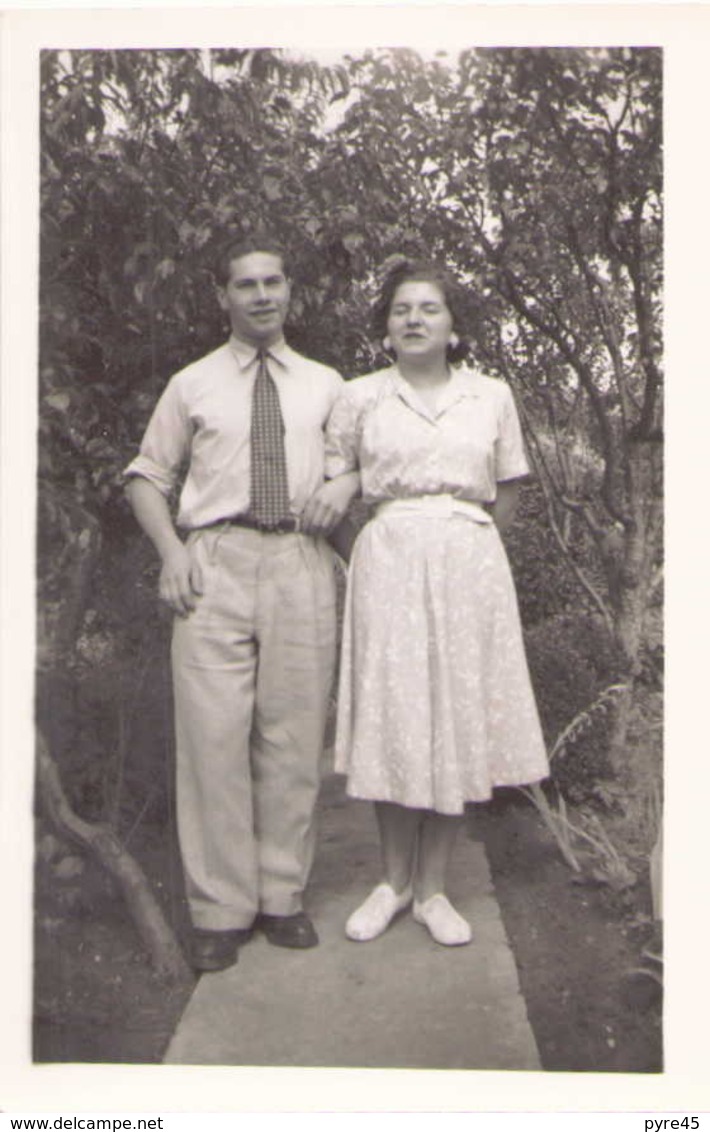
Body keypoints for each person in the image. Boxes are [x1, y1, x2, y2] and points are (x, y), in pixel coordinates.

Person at [124, 236, 355, 972]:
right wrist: (172, 554)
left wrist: (342, 487)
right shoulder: (191, 383)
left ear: (292, 292)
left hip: (298, 560)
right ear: (222, 296)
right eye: (246, 284)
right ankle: (220, 910)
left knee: (291, 739)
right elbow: (145, 476)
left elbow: (356, 468)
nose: (262, 296)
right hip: (214, 562)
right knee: (212, 740)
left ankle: (282, 897)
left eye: (274, 282)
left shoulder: (327, 385)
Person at [324, 258, 550, 947]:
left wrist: (468, 547)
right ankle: (391, 884)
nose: (414, 319)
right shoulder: (360, 398)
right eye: (401, 310)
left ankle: (434, 891)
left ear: (454, 328)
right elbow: (336, 491)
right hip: (387, 557)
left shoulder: (489, 396)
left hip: (468, 562)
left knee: (454, 712)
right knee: (395, 713)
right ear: (385, 329)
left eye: (429, 308)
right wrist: (388, 540)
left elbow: (507, 487)